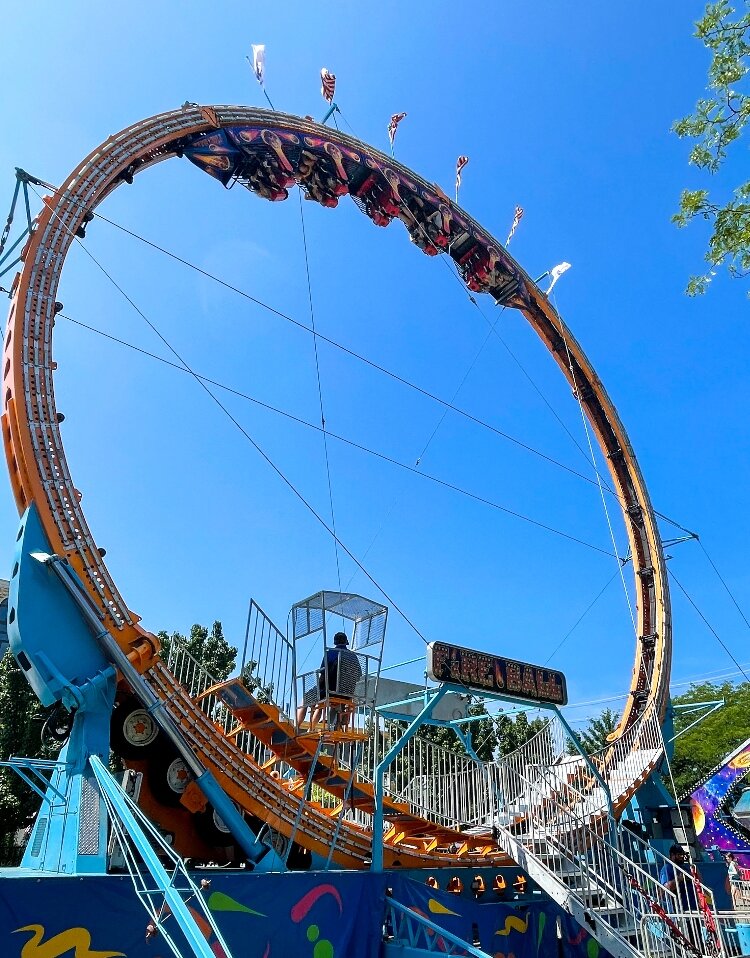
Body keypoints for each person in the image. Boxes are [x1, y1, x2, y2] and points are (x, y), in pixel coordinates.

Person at [296, 632, 362, 729]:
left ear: (335, 642)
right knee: (322, 702)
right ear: (346, 642)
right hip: (347, 694)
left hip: (330, 691)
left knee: (306, 699)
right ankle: (313, 728)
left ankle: (297, 727)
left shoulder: (330, 653)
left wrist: (318, 687)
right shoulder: (353, 657)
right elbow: (358, 677)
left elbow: (323, 675)